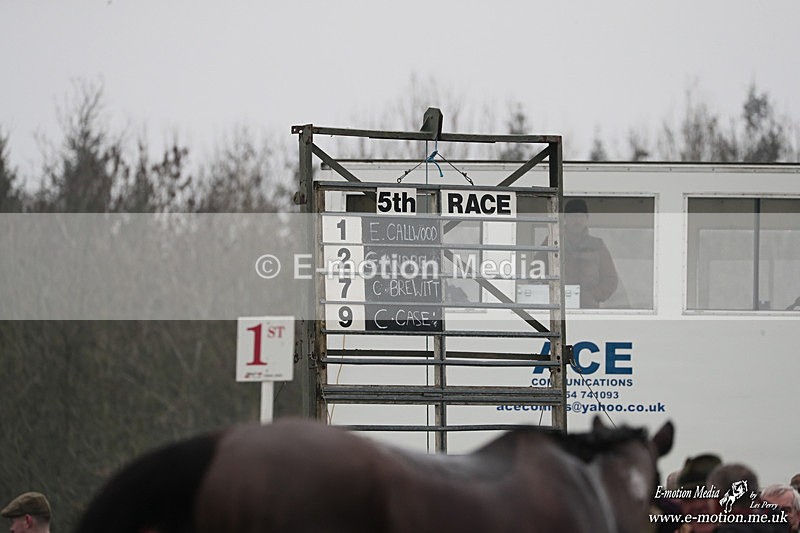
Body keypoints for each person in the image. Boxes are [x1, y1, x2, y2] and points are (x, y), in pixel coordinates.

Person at [561, 198, 619, 308]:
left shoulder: (597, 245)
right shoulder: (553, 243)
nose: (577, 220)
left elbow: (610, 279)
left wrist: (592, 296)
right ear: (565, 218)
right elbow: (536, 274)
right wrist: (552, 294)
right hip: (558, 309)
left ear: (586, 219)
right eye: (573, 216)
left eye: (581, 216)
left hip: (589, 310)